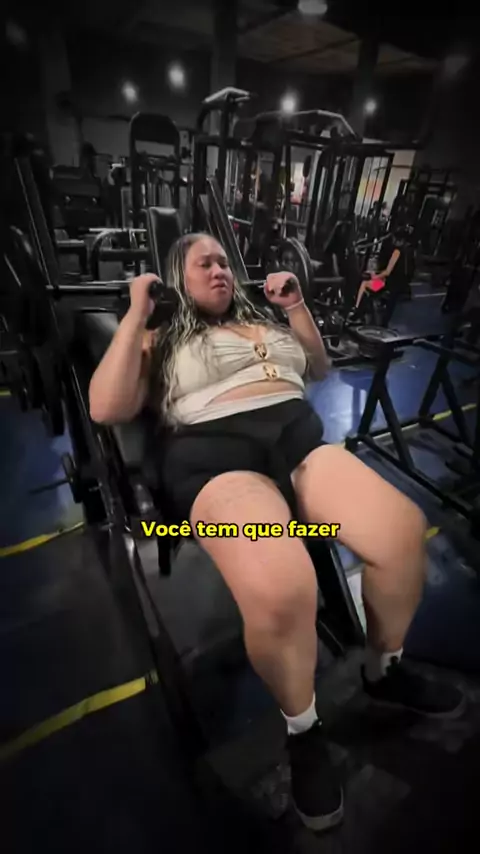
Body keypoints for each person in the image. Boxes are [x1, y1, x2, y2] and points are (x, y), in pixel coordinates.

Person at [89, 233, 464, 833]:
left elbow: (318, 367)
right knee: (286, 591)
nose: (220, 269)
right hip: (216, 459)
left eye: (224, 261)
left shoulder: (261, 321)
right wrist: (136, 312)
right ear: (176, 278)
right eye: (204, 263)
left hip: (297, 442)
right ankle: (303, 729)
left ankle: (384, 669)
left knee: (401, 534)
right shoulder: (162, 337)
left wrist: (294, 307)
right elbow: (107, 409)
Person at [349, 230, 411, 321]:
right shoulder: (405, 252)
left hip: (390, 283)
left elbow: (387, 272)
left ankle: (357, 309)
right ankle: (362, 310)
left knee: (364, 284)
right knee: (369, 286)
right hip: (395, 282)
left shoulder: (396, 252)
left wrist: (374, 276)